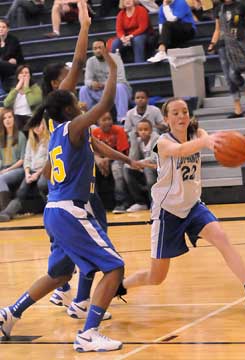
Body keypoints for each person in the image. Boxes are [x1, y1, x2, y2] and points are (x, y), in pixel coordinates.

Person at [0, 0, 124, 353]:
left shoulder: (56, 122)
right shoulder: (70, 122)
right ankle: (87, 330)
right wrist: (112, 68)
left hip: (57, 209)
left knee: (59, 274)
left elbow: (79, 63)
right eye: (70, 85)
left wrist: (84, 27)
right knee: (113, 267)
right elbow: (100, 105)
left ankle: (10, 313)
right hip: (71, 207)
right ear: (66, 97)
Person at [116, 97, 245, 313]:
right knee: (156, 277)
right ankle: (121, 286)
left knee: (221, 238)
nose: (181, 116)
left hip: (193, 206)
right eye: (175, 113)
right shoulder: (161, 142)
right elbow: (181, 151)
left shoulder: (198, 134)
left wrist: (232, 144)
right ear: (166, 119)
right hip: (167, 212)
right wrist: (207, 142)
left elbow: (206, 140)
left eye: (184, 111)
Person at [207, 0, 245, 118]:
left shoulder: (241, 5)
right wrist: (212, 43)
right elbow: (217, 29)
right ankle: (237, 108)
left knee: (234, 74)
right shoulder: (219, 8)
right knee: (228, 77)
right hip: (223, 44)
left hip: (239, 43)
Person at [0, 118, 49, 222]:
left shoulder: (49, 139)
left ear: (43, 125)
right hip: (31, 171)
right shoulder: (31, 141)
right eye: (34, 126)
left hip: (44, 170)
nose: (37, 128)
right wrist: (27, 173)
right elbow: (27, 158)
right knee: (21, 191)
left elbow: (49, 160)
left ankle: (49, 211)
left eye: (39, 124)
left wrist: (38, 173)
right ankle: (7, 213)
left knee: (42, 184)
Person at [79, 39, 132, 123]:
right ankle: (88, 119)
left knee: (120, 86)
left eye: (100, 48)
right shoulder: (90, 61)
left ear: (106, 48)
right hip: (100, 92)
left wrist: (105, 85)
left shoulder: (116, 58)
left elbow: (120, 78)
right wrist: (92, 84)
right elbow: (87, 80)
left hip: (116, 91)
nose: (98, 51)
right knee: (83, 89)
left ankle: (122, 118)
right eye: (95, 48)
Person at [92, 111, 131, 214]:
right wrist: (99, 160)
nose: (107, 122)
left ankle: (121, 202)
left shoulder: (119, 130)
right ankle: (93, 204)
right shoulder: (95, 133)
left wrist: (106, 160)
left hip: (119, 158)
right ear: (98, 122)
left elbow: (122, 152)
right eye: (103, 120)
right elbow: (93, 152)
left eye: (109, 119)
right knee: (89, 170)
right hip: (102, 160)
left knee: (116, 169)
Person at [124, 118, 158, 212]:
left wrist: (140, 163)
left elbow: (154, 159)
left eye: (146, 129)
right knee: (127, 168)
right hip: (144, 167)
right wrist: (133, 139)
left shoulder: (157, 139)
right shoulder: (138, 141)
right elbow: (133, 158)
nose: (143, 132)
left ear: (151, 130)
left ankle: (154, 203)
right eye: (140, 130)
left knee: (148, 169)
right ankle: (140, 203)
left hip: (158, 169)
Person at [0, 108, 26, 211]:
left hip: (18, 169)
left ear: (14, 119)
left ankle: (4, 209)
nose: (7, 120)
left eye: (10, 117)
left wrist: (7, 170)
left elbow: (22, 160)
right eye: (4, 118)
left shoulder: (20, 136)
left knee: (0, 179)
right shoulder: (1, 138)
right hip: (4, 169)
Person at [4, 64, 43, 133]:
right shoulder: (14, 90)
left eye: (26, 73)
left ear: (30, 76)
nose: (24, 75)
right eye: (21, 73)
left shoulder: (36, 88)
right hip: (16, 121)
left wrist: (26, 87)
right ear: (18, 76)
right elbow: (6, 103)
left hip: (30, 119)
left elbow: (32, 102)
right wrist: (16, 89)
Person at [0, 19, 24, 94]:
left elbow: (9, 54)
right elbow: (7, 58)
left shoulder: (13, 40)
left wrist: (4, 60)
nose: (1, 29)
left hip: (15, 67)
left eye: (3, 27)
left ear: (8, 29)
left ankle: (1, 89)